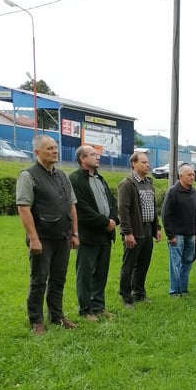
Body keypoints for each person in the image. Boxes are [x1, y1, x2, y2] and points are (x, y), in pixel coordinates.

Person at [16, 135, 79, 334]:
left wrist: (75, 233)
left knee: (58, 279)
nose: (55, 151)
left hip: (63, 236)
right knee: (39, 280)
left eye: (55, 147)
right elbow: (23, 208)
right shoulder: (28, 176)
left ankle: (57, 316)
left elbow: (72, 206)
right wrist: (34, 238)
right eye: (49, 148)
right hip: (42, 237)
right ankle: (36, 321)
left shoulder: (62, 176)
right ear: (37, 152)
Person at [70, 146, 119, 321]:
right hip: (88, 235)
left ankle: (98, 306)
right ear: (82, 159)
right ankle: (85, 309)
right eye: (93, 155)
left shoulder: (100, 178)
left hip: (105, 235)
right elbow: (81, 208)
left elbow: (112, 202)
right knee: (85, 273)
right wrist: (105, 223)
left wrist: (114, 219)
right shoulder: (75, 179)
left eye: (97, 154)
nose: (98, 157)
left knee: (101, 273)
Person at [117, 151, 161, 308]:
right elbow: (123, 209)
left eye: (148, 162)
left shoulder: (148, 183)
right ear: (134, 164)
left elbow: (153, 207)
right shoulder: (127, 184)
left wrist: (157, 228)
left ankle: (139, 294)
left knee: (143, 265)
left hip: (148, 229)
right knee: (129, 265)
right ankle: (126, 297)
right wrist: (127, 233)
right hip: (135, 230)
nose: (147, 165)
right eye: (143, 162)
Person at [161, 164, 196, 297]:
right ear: (180, 176)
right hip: (177, 235)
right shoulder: (173, 192)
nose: (192, 177)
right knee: (175, 264)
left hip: (190, 235)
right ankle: (175, 291)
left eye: (193, 174)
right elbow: (165, 214)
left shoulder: (194, 192)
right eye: (189, 175)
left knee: (188, 262)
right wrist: (170, 235)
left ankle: (183, 289)